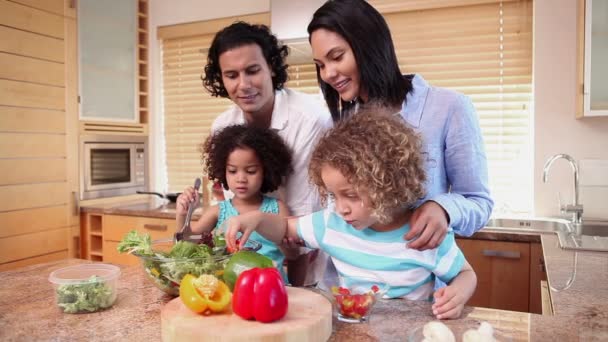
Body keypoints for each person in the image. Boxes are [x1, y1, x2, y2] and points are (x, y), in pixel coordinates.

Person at [224, 110, 477, 319]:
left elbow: (465, 274)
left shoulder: (426, 233)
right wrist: (256, 219)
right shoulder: (332, 224)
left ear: (388, 184)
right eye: (334, 195)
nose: (341, 208)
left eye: (352, 195)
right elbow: (285, 229)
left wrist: (459, 293)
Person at [306, 0, 494, 250]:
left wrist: (444, 208)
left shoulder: (449, 107)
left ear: (369, 46)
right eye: (320, 65)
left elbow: (479, 202)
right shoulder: (343, 125)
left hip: (418, 282)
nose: (328, 74)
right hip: (350, 281)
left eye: (336, 57)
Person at [201, 21, 333, 285]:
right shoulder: (222, 126)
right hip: (243, 268)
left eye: (252, 71)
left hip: (301, 265)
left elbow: (301, 219)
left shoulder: (309, 120)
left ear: (271, 67)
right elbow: (236, 204)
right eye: (231, 75)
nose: (244, 85)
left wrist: (294, 283)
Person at [176, 124, 294, 282]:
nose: (241, 179)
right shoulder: (217, 211)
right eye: (232, 171)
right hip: (228, 289)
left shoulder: (278, 209)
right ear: (222, 171)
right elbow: (187, 241)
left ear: (266, 171)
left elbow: (293, 254)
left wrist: (277, 234)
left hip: (271, 287)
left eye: (251, 171)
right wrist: (183, 215)